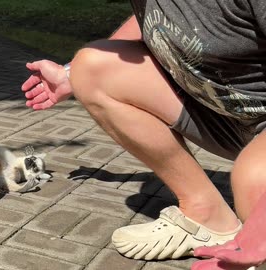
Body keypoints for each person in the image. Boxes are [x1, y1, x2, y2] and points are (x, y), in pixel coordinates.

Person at [21, 1, 266, 268]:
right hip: (226, 118)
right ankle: (207, 216)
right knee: (91, 67)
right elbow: (161, 15)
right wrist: (69, 75)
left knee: (253, 182)